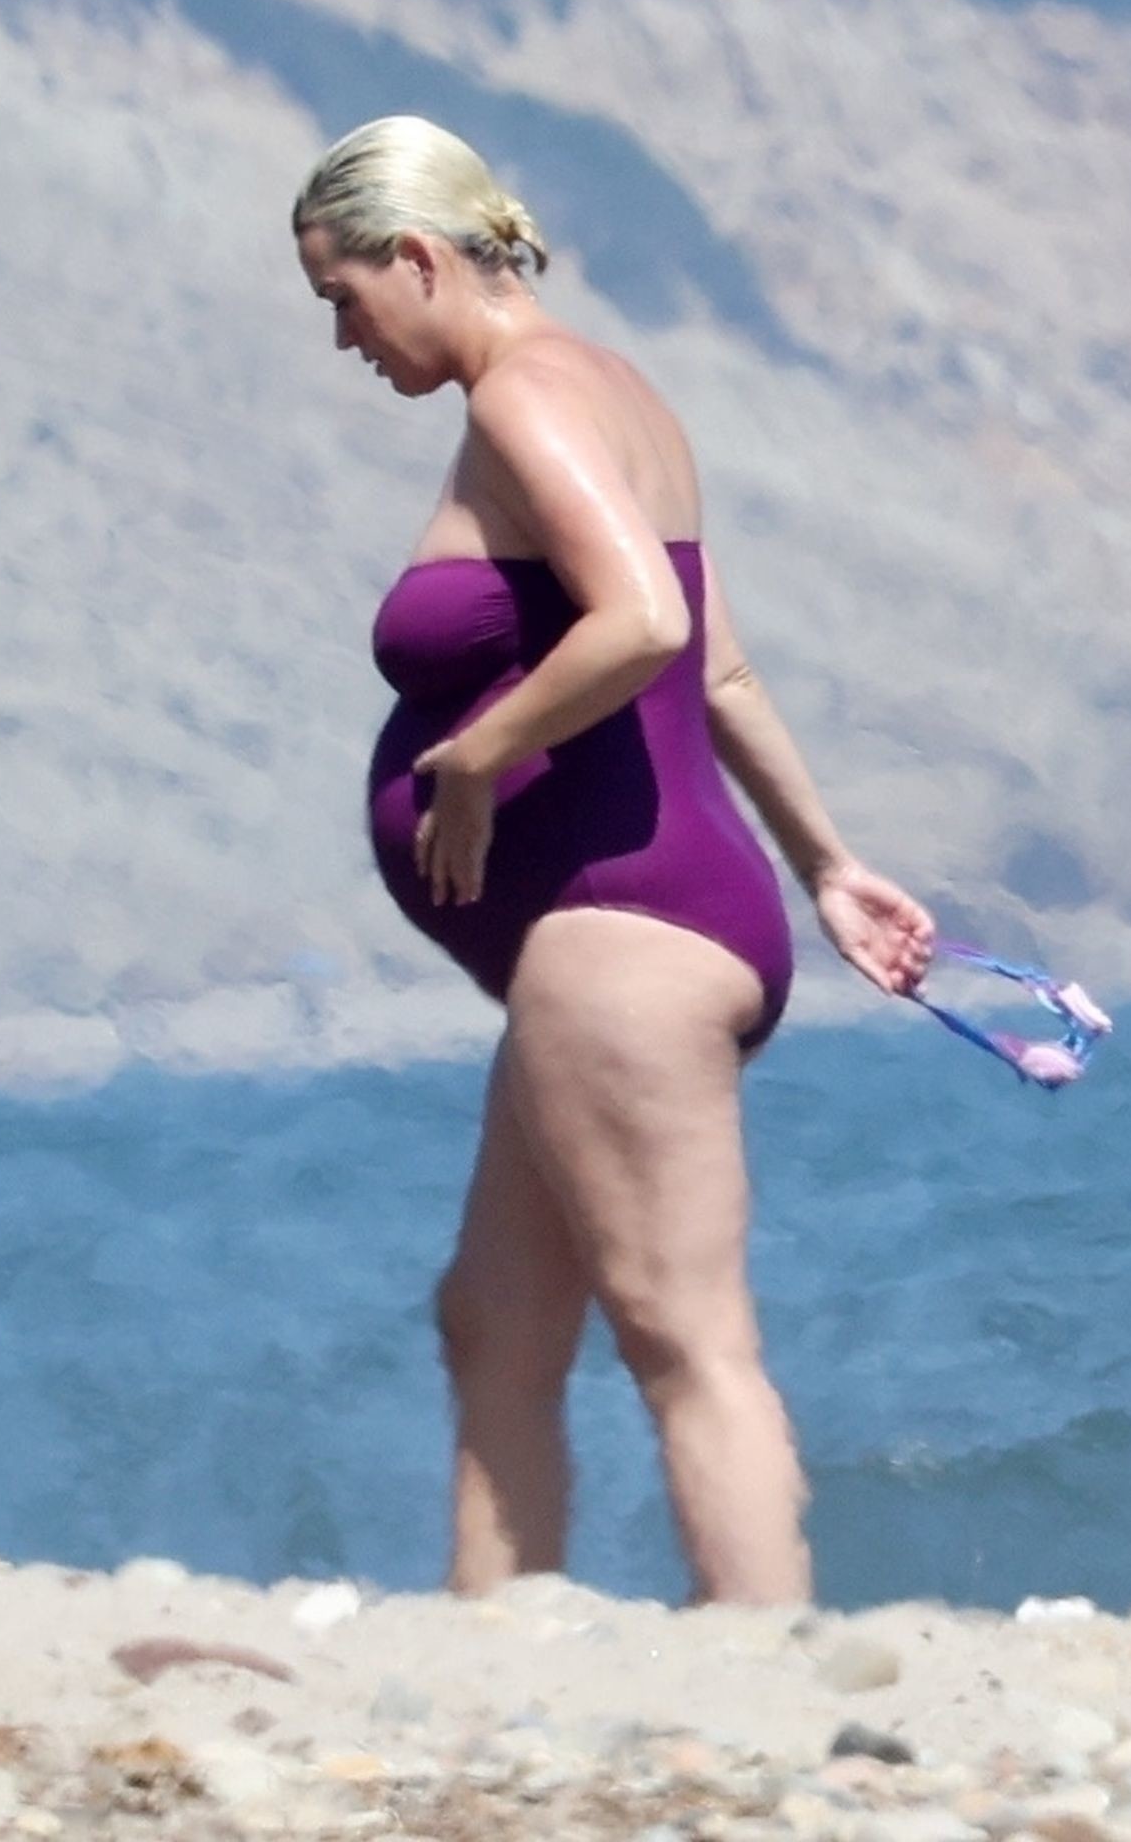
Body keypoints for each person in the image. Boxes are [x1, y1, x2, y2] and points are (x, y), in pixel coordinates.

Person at [292, 115, 934, 1606]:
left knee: (683, 1338)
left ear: (419, 259)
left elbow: (646, 622)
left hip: (621, 932)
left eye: (344, 297)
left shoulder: (529, 398)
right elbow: (720, 671)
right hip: (639, 927)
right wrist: (829, 867)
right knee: (495, 1325)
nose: (343, 339)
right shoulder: (617, 390)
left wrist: (475, 758)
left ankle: (775, 1666)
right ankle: (495, 1653)